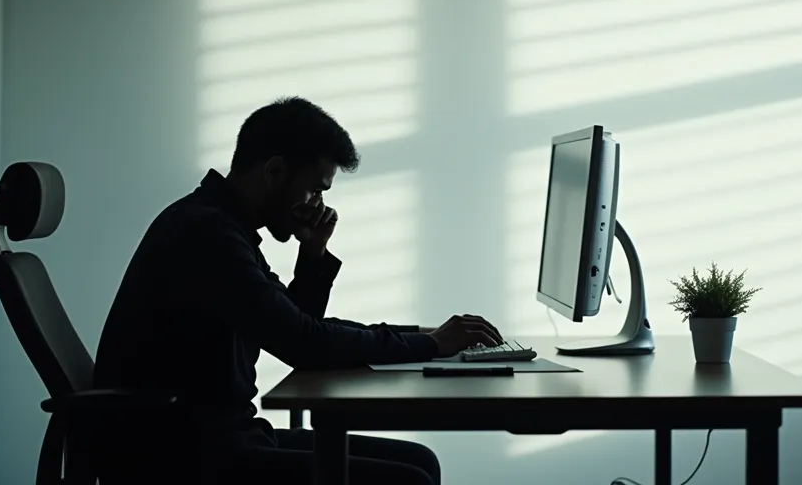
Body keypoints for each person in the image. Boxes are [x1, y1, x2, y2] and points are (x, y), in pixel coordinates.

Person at [94, 96, 503, 484]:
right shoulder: (210, 235)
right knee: (408, 480)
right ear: (274, 172)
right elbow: (303, 343)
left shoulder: (222, 225)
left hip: (222, 438)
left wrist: (313, 254)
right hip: (187, 457)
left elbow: (294, 323)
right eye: (316, 188)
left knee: (419, 462)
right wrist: (430, 345)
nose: (319, 204)